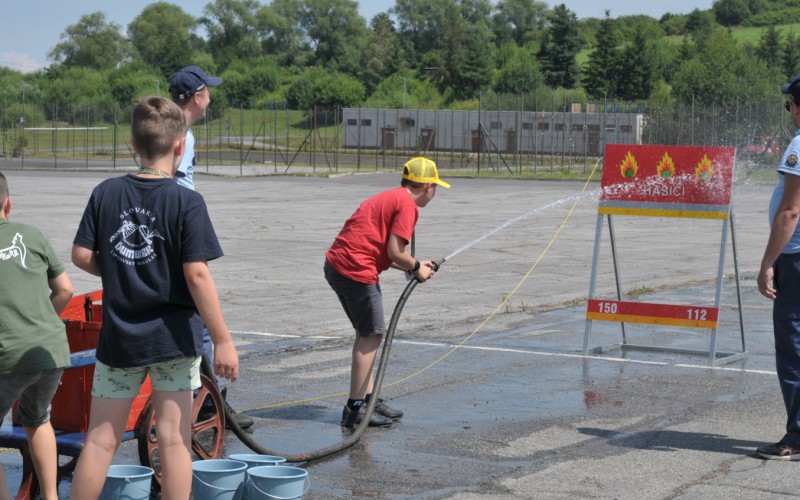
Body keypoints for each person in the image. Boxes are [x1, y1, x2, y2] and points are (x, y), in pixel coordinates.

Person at [69, 96, 238, 499]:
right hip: (173, 341)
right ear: (180, 145)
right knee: (175, 439)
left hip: (120, 340)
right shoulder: (187, 201)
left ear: (133, 144)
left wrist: (120, 269)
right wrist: (223, 339)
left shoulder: (106, 193)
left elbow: (81, 255)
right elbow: (196, 273)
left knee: (101, 440)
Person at [324, 157, 450, 428]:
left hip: (338, 265)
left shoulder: (392, 197)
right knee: (371, 335)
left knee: (366, 334)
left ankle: (369, 401)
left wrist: (414, 265)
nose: (435, 193)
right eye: (436, 188)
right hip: (356, 271)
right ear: (428, 187)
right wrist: (415, 267)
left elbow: (381, 249)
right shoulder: (407, 206)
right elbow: (395, 251)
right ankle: (354, 410)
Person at [168, 65, 254, 430]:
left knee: (196, 320)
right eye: (208, 92)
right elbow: (169, 181)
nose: (211, 98)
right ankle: (206, 402)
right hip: (180, 229)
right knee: (199, 318)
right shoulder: (180, 135)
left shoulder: (177, 130)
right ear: (197, 97)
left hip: (178, 226)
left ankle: (206, 398)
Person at [0, 172, 74, 500]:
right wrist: (41, 321)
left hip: (10, 353)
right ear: (8, 204)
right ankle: (51, 496)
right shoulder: (31, 235)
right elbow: (65, 289)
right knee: (37, 418)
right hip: (51, 348)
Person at [757, 73, 800, 461]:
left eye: (790, 105)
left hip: (796, 260)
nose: (790, 111)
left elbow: (790, 212)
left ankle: (797, 437)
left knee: (793, 347)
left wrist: (768, 262)